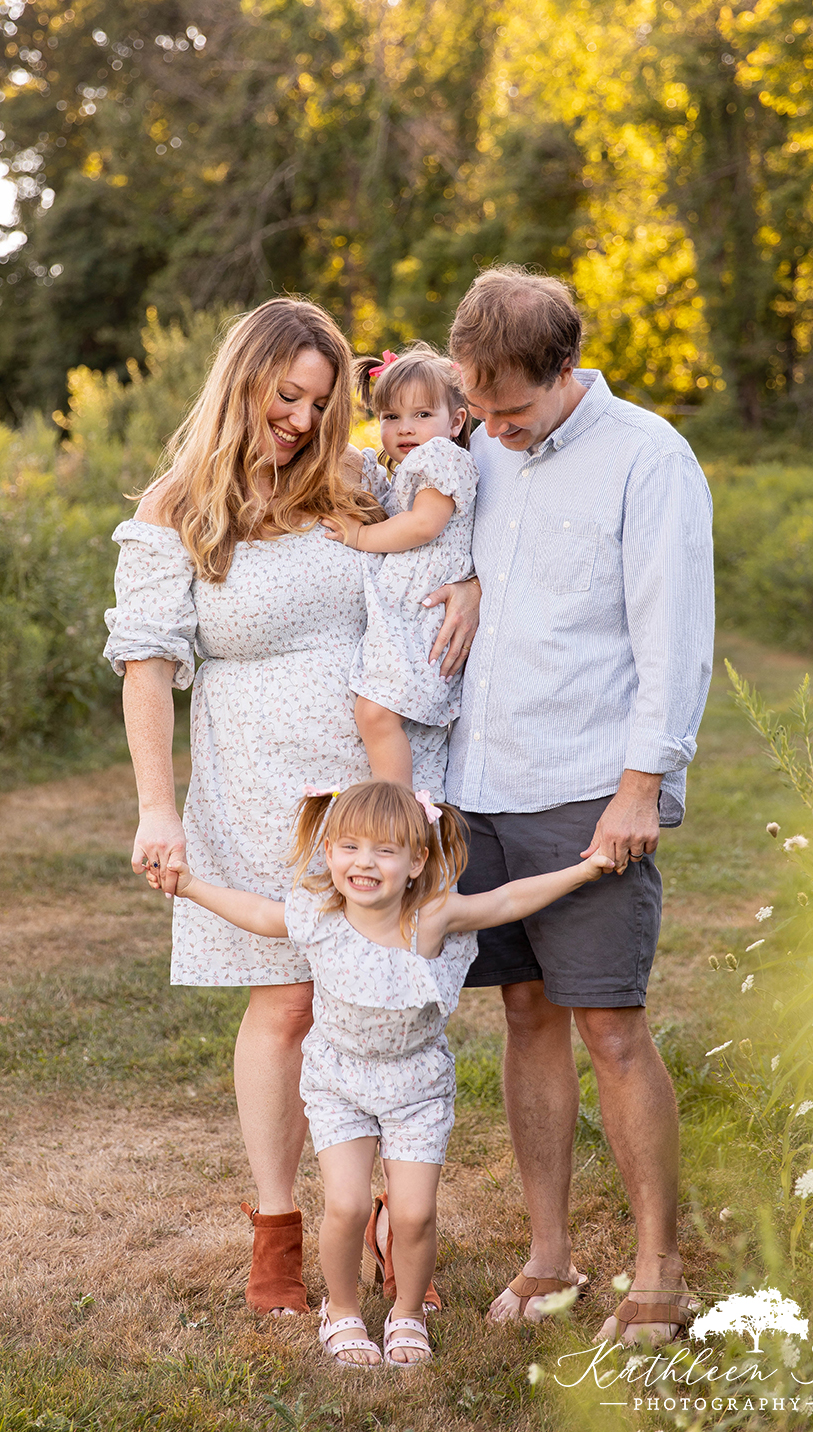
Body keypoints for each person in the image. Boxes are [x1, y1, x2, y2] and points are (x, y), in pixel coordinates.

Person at [102, 298, 475, 1318]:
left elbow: (448, 522)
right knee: (286, 1001)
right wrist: (154, 808)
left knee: (396, 999)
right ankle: (277, 1227)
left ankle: (402, 1229)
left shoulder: (354, 480)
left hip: (376, 778)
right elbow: (145, 668)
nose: (305, 419)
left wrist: (469, 585)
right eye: (288, 395)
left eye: (319, 400)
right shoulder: (175, 508)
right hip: (256, 782)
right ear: (243, 380)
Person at [439, 265, 714, 1344]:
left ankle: (656, 1273)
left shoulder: (646, 456)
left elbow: (672, 633)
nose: (493, 430)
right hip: (480, 785)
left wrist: (640, 783)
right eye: (478, 408)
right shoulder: (474, 451)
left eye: (509, 410)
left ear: (564, 370)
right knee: (523, 1014)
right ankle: (547, 1253)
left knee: (610, 1025)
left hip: (588, 787)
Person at [157, 778, 615, 1366]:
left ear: (418, 858)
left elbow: (506, 900)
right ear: (328, 852)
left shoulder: (432, 916)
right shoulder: (321, 915)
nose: (364, 863)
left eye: (384, 850)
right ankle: (341, 1309)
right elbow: (257, 914)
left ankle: (406, 1312)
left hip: (416, 1087)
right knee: (345, 1205)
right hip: (338, 1083)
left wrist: (585, 871)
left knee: (414, 1212)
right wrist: (191, 885)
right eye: (348, 847)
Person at [322, 346, 478, 787]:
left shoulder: (441, 458)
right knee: (396, 721)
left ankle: (395, 809)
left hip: (423, 614)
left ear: (457, 421)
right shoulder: (409, 468)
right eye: (390, 416)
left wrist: (360, 537)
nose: (405, 428)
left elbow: (425, 525)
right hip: (409, 614)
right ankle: (415, 805)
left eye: (422, 414)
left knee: (374, 713)